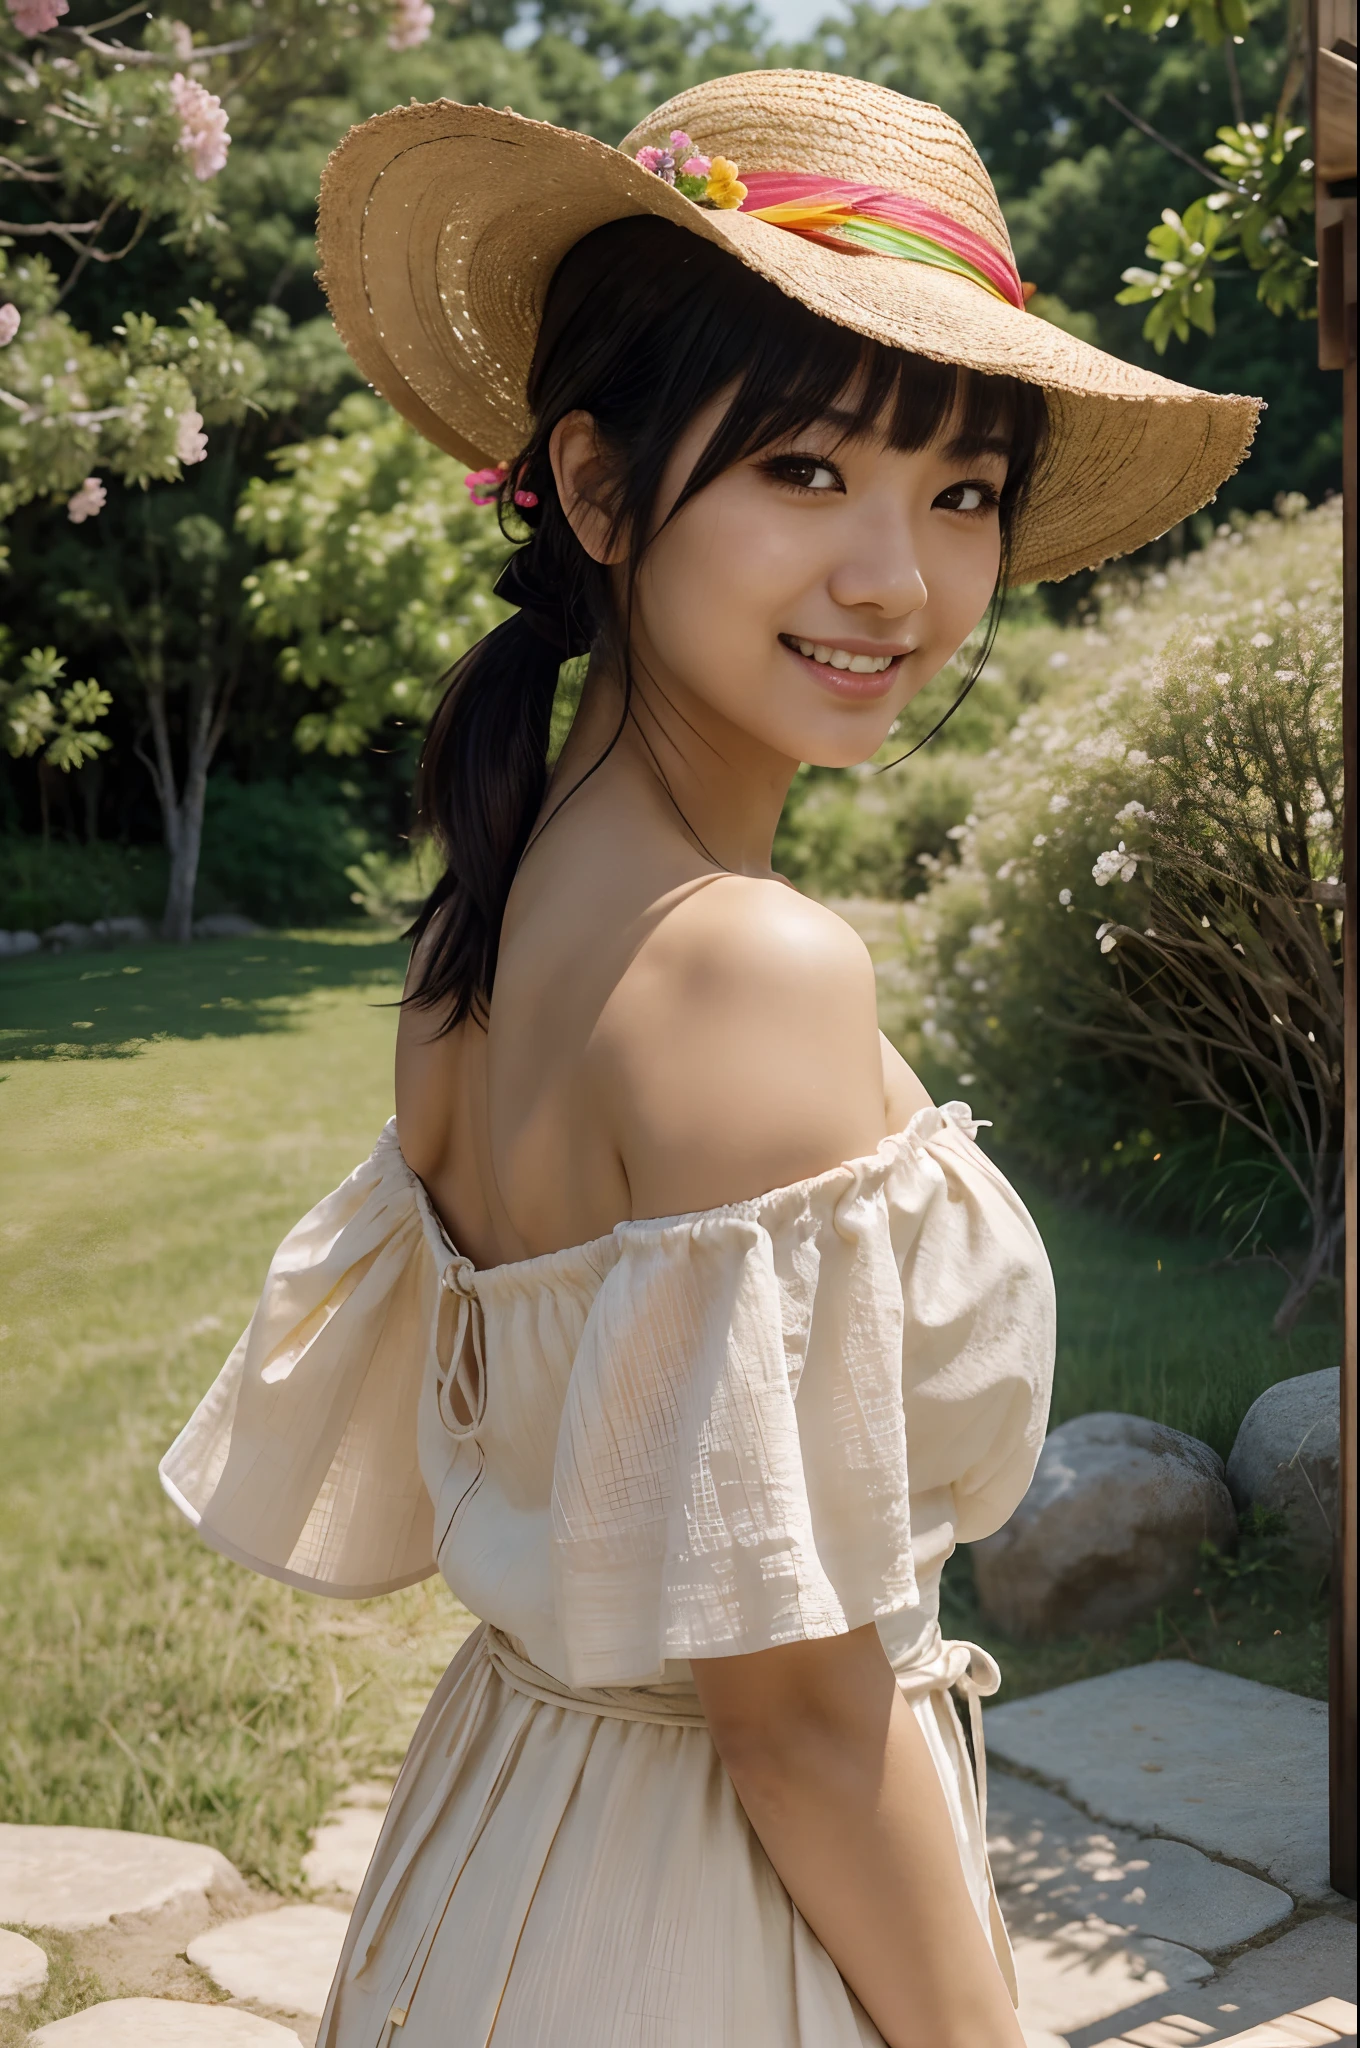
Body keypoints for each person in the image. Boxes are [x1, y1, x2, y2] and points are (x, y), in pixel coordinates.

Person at [160, 68, 1259, 2048]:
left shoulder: (479, 928)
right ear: (596, 489)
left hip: (498, 1853)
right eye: (806, 471)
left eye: (958, 495)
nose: (894, 584)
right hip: (699, 1928)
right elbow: (801, 1730)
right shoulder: (744, 966)